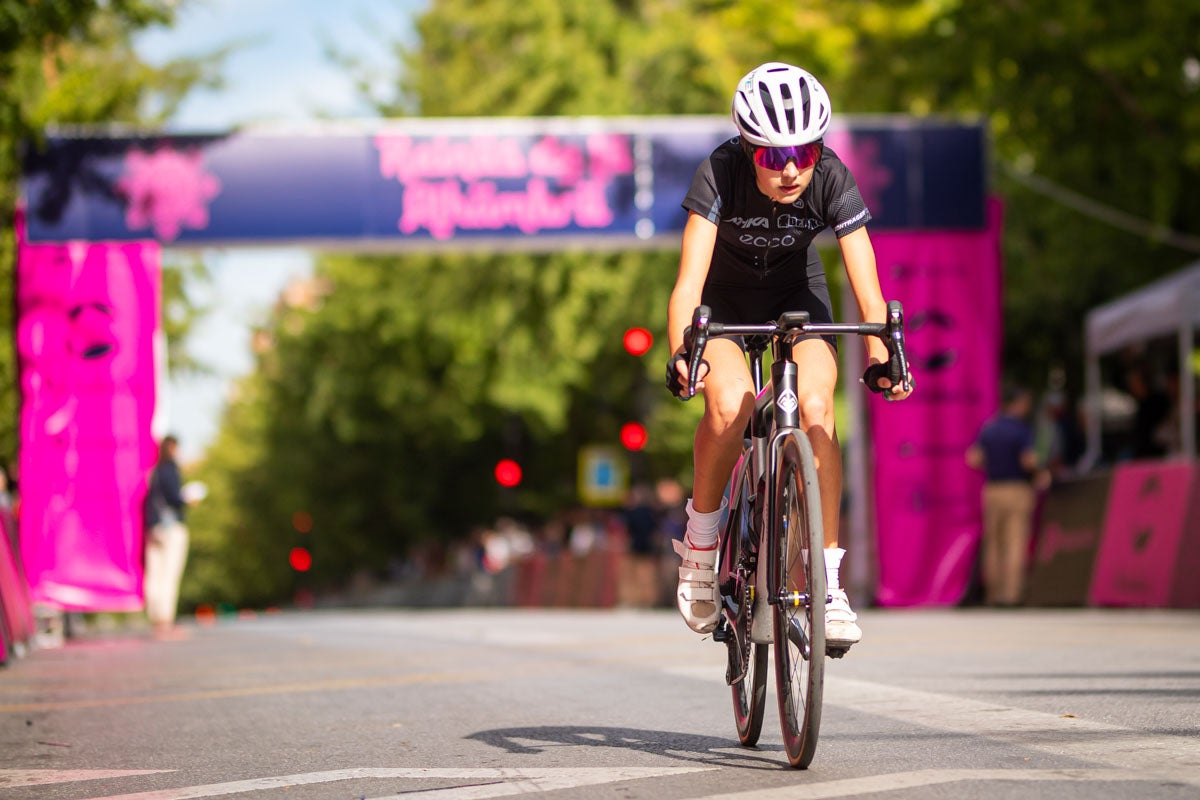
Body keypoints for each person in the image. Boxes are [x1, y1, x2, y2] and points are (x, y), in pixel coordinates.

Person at [665, 62, 913, 650]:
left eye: (805, 151)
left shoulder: (830, 175)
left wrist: (883, 352)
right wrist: (683, 350)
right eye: (775, 157)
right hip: (724, 303)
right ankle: (702, 544)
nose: (793, 168)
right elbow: (687, 283)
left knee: (818, 405)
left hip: (798, 296)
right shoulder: (719, 173)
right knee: (729, 403)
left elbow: (865, 280)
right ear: (749, 149)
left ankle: (826, 584)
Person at [965, 386, 1046, 607]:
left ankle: (993, 594)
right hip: (1017, 488)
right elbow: (1027, 460)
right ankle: (1011, 596)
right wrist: (1040, 473)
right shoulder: (1021, 430)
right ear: (1017, 404)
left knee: (993, 544)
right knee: (1015, 542)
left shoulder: (989, 428)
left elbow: (973, 458)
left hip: (992, 490)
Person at [143, 435, 191, 639]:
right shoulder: (170, 470)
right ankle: (165, 620)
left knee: (155, 574)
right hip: (171, 528)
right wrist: (187, 499)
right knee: (169, 574)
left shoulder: (152, 473)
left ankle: (155, 618)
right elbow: (175, 498)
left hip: (154, 528)